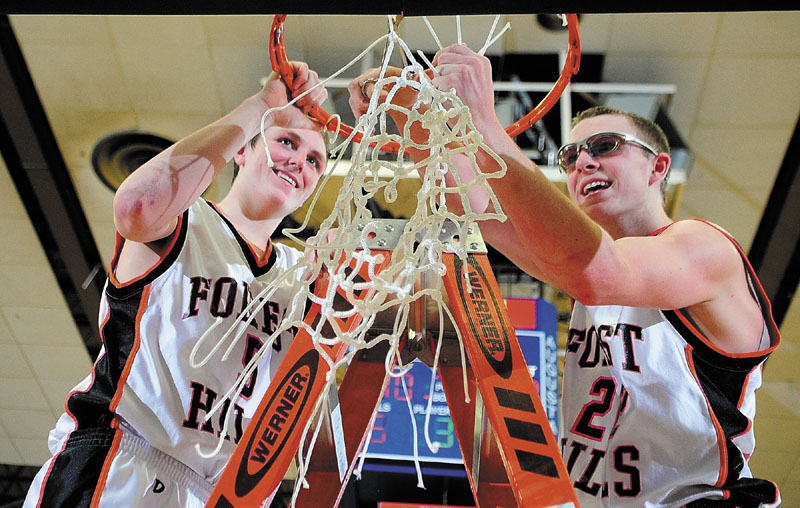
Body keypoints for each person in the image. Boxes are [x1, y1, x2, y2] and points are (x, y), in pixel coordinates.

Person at [350, 45, 781, 507]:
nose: (583, 163)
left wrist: (485, 126)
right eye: (571, 156)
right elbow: (471, 206)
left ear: (659, 166)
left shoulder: (703, 247)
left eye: (605, 146)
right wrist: (408, 113)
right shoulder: (586, 270)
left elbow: (597, 272)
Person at [24, 61, 329, 508]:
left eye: (313, 161)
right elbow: (136, 205)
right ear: (243, 149)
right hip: (125, 462)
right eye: (286, 141)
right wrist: (264, 104)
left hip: (221, 493)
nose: (297, 161)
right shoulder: (186, 217)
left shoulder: (303, 275)